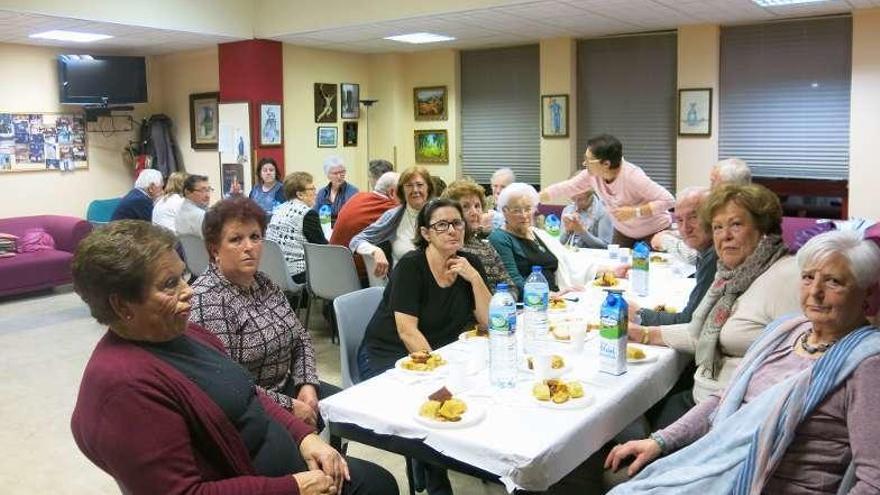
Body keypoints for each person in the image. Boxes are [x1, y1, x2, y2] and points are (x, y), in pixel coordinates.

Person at [69, 220, 398, 495]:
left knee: (378, 482)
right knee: (377, 487)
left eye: (183, 277)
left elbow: (246, 393)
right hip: (266, 482)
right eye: (170, 285)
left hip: (284, 464)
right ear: (122, 306)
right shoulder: (126, 390)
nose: (189, 290)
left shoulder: (182, 333)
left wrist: (305, 438)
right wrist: (293, 487)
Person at [606, 229, 880, 494]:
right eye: (808, 278)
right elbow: (725, 399)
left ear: (867, 294)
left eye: (834, 282)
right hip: (721, 466)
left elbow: (873, 480)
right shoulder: (783, 332)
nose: (815, 292)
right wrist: (660, 441)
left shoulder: (867, 366)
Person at [629, 184, 800, 425]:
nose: (724, 235)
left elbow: (796, 371)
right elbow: (704, 333)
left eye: (736, 225)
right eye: (718, 227)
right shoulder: (730, 276)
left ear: (764, 229)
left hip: (736, 411)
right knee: (644, 407)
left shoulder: (787, 277)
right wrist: (642, 333)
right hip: (709, 396)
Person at [357, 198, 491, 495]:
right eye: (441, 225)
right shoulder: (411, 266)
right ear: (426, 233)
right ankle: (435, 478)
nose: (451, 230)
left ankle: (483, 460)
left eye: (457, 223)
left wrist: (475, 279)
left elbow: (489, 322)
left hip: (440, 353)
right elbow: (407, 332)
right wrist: (438, 376)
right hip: (388, 353)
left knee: (482, 386)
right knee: (431, 399)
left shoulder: (470, 263)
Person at [190, 197, 338, 430]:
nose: (249, 247)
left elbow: (300, 338)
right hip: (249, 408)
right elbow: (229, 383)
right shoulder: (207, 299)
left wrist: (307, 384)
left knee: (348, 410)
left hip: (288, 385)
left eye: (255, 237)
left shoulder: (263, 282)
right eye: (236, 239)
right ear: (214, 249)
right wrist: (290, 406)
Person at [539, 134, 674, 248]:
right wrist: (535, 197)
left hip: (654, 230)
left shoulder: (633, 177)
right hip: (624, 231)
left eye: (588, 160)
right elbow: (566, 187)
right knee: (615, 270)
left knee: (650, 271)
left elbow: (669, 200)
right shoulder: (592, 175)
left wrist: (635, 212)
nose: (584, 164)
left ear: (606, 164)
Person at [631, 187, 716, 326]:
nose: (686, 228)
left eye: (694, 217)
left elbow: (690, 320)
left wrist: (640, 314)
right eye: (680, 220)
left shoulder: (714, 256)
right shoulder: (705, 250)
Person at [350, 166, 435, 278]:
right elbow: (356, 241)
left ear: (428, 188)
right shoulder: (394, 216)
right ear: (402, 190)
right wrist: (375, 251)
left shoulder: (440, 214)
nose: (415, 190)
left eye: (420, 185)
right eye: (409, 185)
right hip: (403, 283)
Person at [443, 178, 519, 299]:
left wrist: (502, 302)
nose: (474, 212)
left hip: (498, 310)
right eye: (466, 206)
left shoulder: (486, 246)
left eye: (477, 206)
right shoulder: (449, 248)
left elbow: (510, 286)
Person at [330, 172, 399, 285]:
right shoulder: (389, 209)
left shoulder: (357, 197)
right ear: (392, 192)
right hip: (358, 278)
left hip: (330, 271)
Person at [267, 172, 327, 284]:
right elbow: (322, 248)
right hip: (298, 273)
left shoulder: (279, 209)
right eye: (312, 189)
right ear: (300, 195)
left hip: (276, 272)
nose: (316, 192)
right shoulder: (307, 214)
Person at [313, 156, 358, 224]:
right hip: (324, 230)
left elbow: (354, 217)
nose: (339, 176)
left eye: (342, 172)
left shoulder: (353, 192)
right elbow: (315, 215)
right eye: (335, 173)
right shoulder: (322, 192)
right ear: (327, 175)